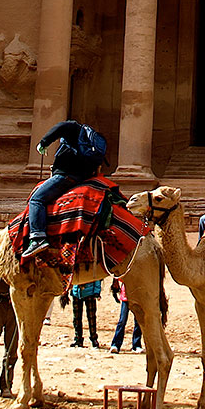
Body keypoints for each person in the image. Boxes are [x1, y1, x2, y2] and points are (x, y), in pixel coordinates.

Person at [22, 119, 108, 260]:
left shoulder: (74, 128)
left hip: (65, 176)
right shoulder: (92, 139)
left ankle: (38, 238)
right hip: (81, 177)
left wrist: (44, 142)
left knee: (36, 199)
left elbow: (62, 126)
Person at [109, 279, 142, 353]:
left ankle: (136, 345)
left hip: (137, 296)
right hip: (125, 296)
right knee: (122, 321)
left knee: (138, 321)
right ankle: (115, 344)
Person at [69, 279, 102, 348]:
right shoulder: (75, 268)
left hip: (90, 293)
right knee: (76, 318)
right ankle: (78, 339)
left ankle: (94, 339)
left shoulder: (91, 267)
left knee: (91, 317)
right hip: (76, 293)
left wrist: (96, 291)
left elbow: (96, 277)